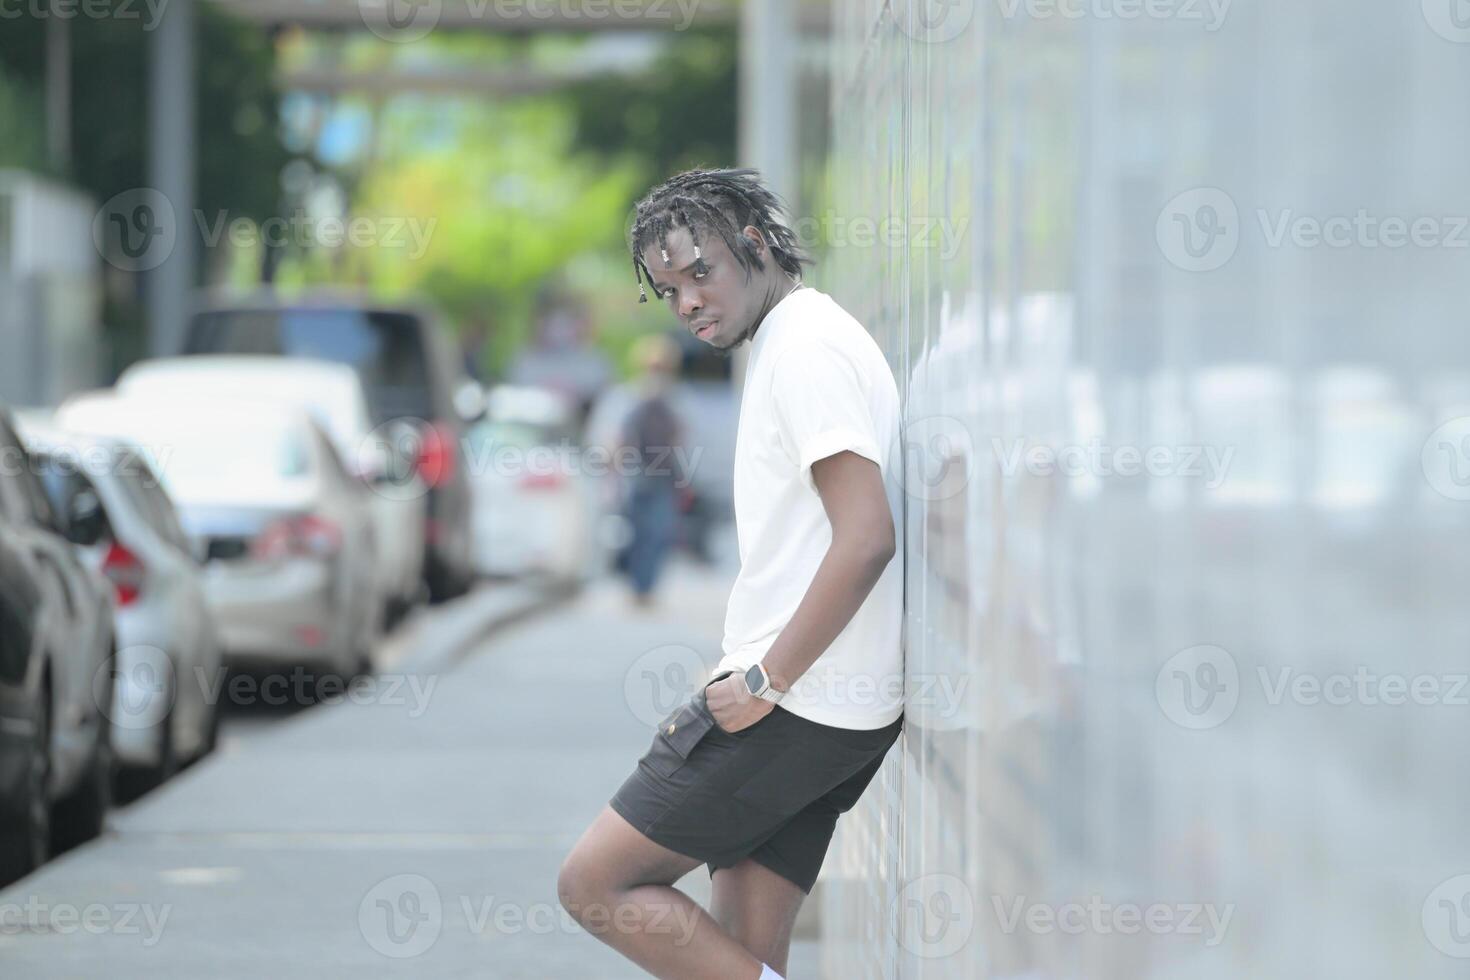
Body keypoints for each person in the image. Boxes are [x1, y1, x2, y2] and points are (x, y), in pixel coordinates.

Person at [558, 168, 905, 980]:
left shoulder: (806, 352)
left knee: (595, 883)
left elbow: (866, 537)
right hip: (832, 706)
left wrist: (764, 680)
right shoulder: (798, 338)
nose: (687, 303)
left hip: (796, 702)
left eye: (699, 273)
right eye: (668, 289)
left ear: (753, 243)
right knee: (742, 961)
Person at [617, 334, 691, 608]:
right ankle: (640, 586)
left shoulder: (676, 399)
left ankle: (646, 586)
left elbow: (683, 439)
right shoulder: (630, 396)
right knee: (641, 533)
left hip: (662, 476)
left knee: (659, 532)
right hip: (640, 474)